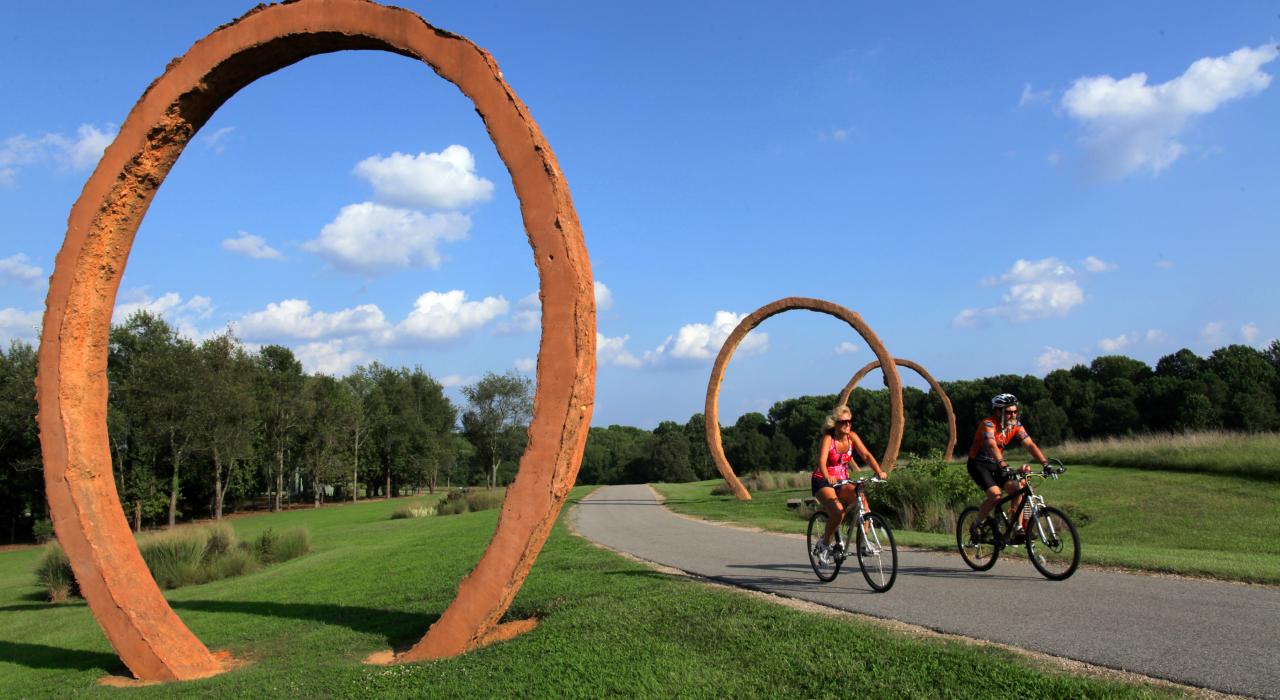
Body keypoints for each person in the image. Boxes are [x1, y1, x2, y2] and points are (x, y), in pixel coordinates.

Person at [966, 393, 1051, 538]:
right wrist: (1003, 464)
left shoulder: (1016, 425)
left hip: (996, 464)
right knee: (995, 495)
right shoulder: (988, 424)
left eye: (1015, 411)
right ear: (998, 411)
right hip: (978, 464)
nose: (1013, 415)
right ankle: (976, 525)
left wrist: (1045, 464)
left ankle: (1017, 528)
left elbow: (1030, 444)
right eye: (1009, 412)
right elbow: (992, 445)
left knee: (1018, 489)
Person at [811, 405, 887, 563]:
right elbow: (822, 461)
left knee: (863, 502)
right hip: (823, 479)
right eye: (843, 422)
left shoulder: (852, 437)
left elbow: (866, 455)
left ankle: (863, 543)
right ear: (836, 424)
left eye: (850, 421)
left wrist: (879, 472)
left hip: (842, 479)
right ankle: (824, 544)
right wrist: (828, 477)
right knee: (839, 512)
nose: (847, 425)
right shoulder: (828, 438)